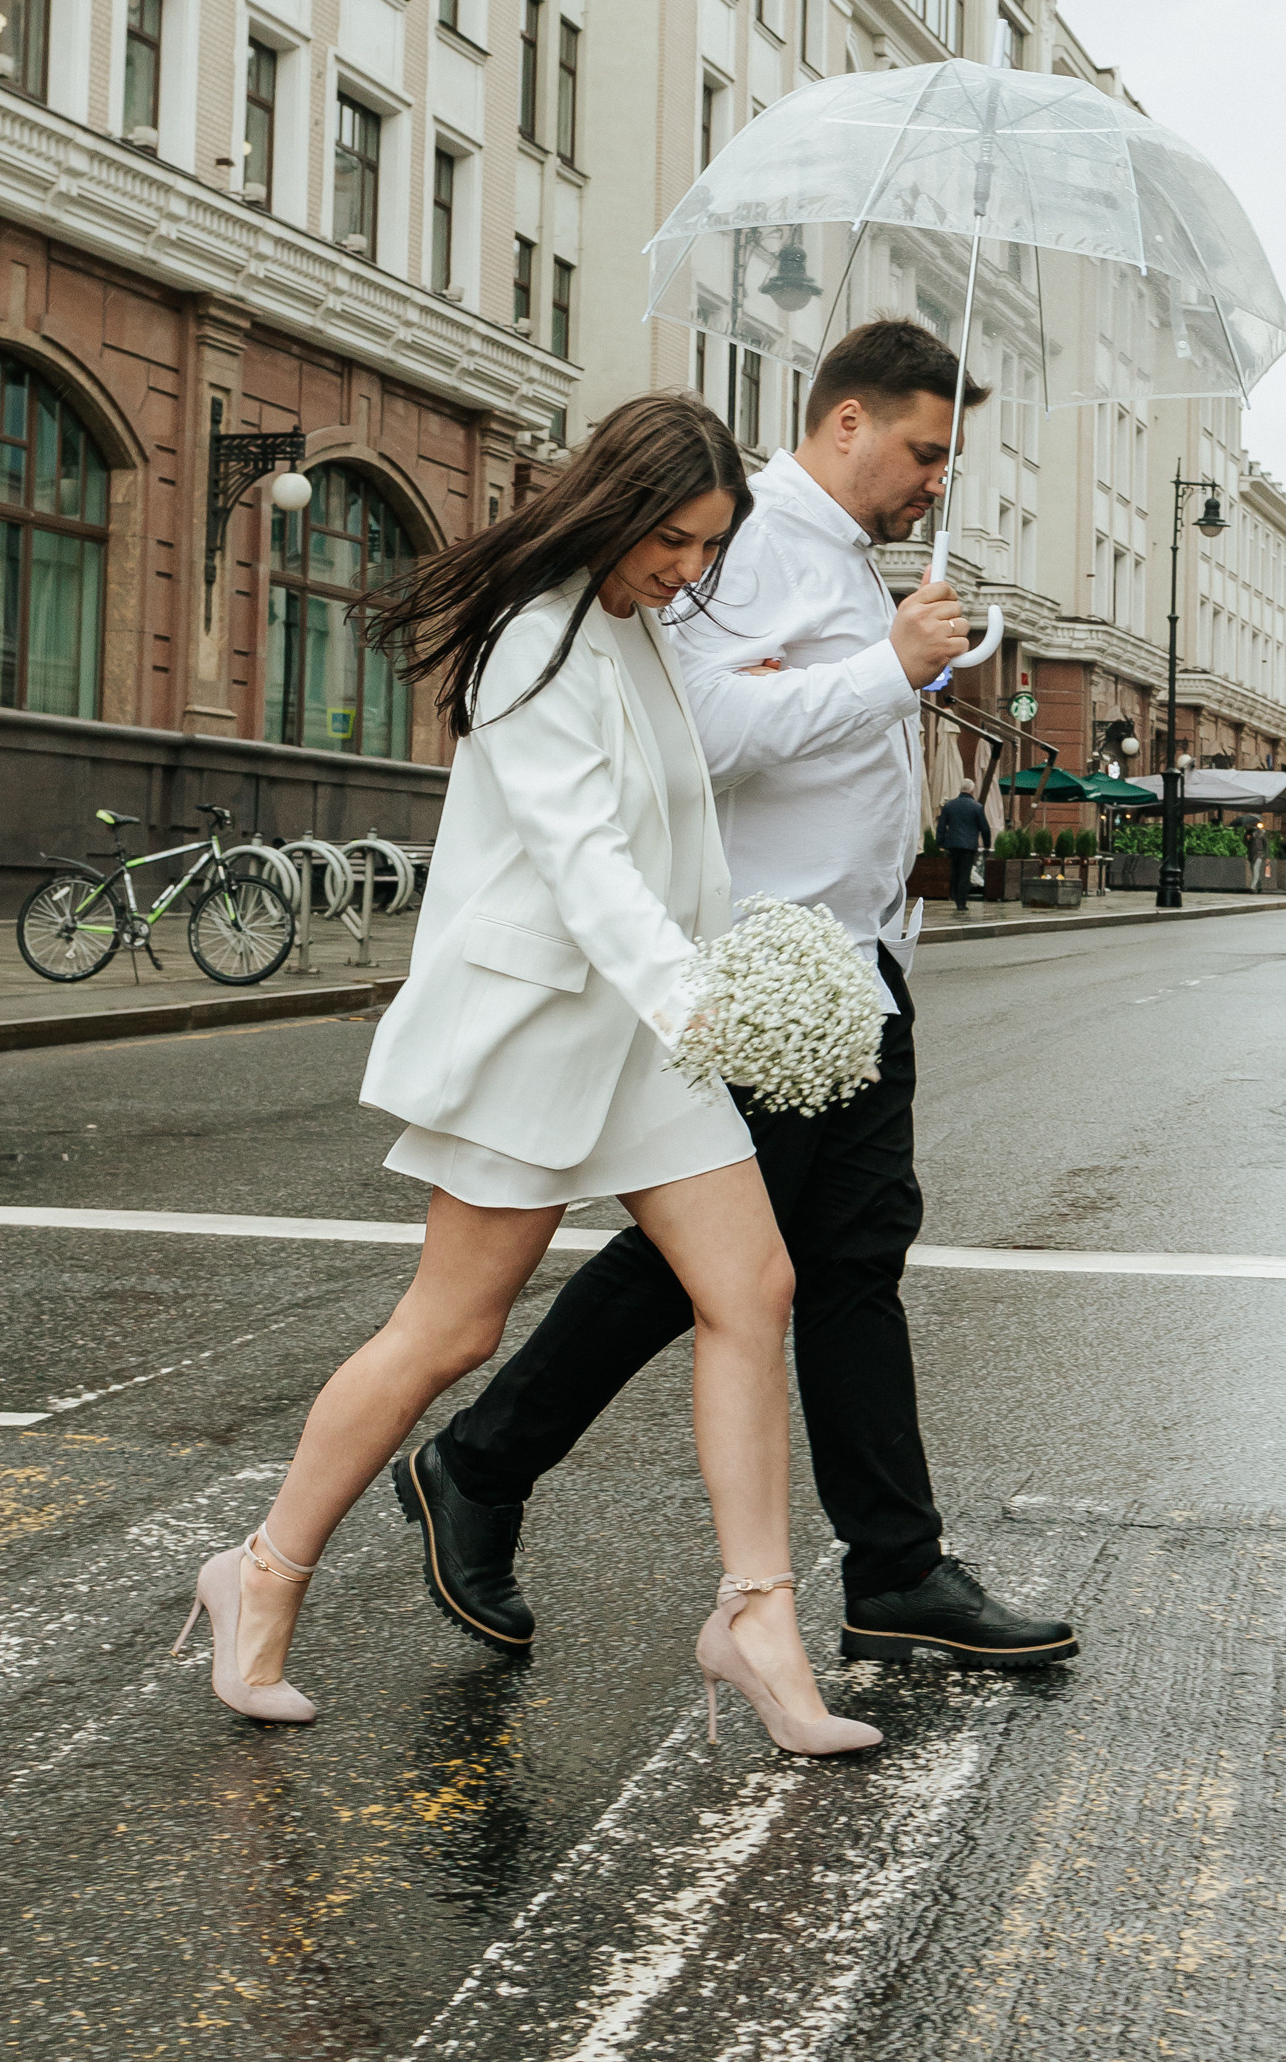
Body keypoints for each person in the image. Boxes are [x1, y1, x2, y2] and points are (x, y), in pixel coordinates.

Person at [172, 391, 880, 1758]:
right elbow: (585, 865)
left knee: (756, 1287)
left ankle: (757, 1615)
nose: (686, 571)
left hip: (641, 1030)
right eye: (671, 539)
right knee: (450, 1333)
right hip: (541, 1026)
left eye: (708, 548)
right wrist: (706, 1009)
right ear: (613, 507)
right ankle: (260, 1570)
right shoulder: (535, 639)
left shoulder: (636, 625)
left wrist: (723, 975)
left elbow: (680, 841)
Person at [404, 320, 1080, 1676]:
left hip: (859, 965)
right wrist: (880, 670)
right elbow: (700, 739)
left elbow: (819, 720)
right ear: (844, 424)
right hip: (776, 971)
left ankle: (895, 1569)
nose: (936, 479)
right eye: (922, 448)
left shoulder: (840, 557)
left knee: (851, 1259)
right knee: (706, 1265)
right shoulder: (753, 533)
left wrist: (904, 666)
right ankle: (478, 1463)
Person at [935, 783, 992, 912]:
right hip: (969, 845)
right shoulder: (977, 807)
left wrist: (940, 843)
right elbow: (985, 828)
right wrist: (987, 845)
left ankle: (955, 895)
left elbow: (941, 826)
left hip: (953, 845)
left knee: (955, 871)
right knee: (965, 873)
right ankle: (961, 902)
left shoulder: (949, 806)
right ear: (972, 791)